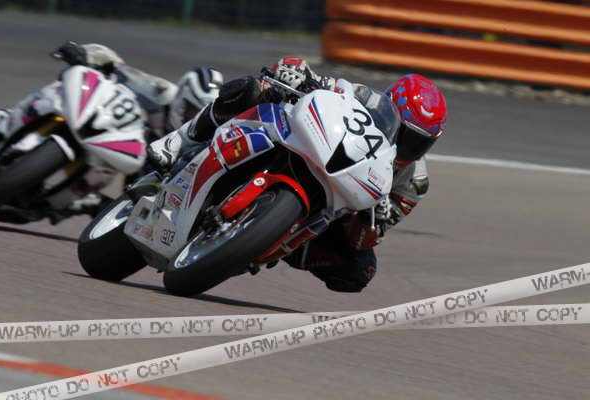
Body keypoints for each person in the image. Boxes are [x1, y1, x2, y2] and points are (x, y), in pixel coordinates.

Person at [148, 57, 447, 292]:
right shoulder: (363, 96)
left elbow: (363, 240)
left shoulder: (413, 184)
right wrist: (296, 72)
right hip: (305, 143)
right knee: (255, 89)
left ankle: (265, 243)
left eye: (420, 142)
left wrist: (375, 218)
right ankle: (179, 140)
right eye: (406, 134)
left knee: (359, 270)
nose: (408, 146)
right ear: (390, 106)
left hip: (334, 208)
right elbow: (315, 79)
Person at [0, 42, 223, 221]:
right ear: (182, 96)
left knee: (87, 202)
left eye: (197, 113)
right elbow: (120, 68)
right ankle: (4, 126)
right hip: (97, 121)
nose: (192, 117)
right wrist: (86, 55)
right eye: (190, 109)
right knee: (47, 100)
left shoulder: (185, 144)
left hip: (111, 166)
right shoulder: (160, 91)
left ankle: (58, 203)